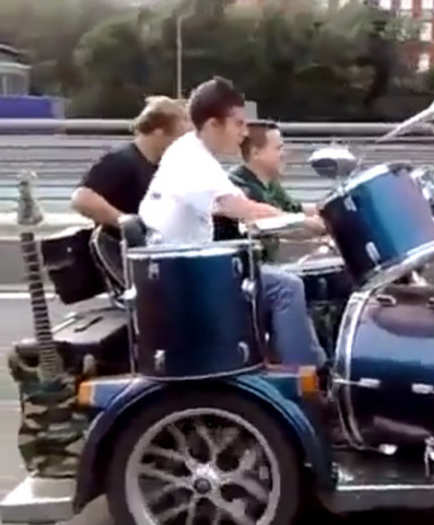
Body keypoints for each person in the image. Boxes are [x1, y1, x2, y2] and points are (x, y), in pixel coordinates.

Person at [139, 76, 325, 367]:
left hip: (184, 268)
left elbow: (246, 209)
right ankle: (304, 375)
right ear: (213, 124)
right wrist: (304, 222)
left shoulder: (193, 152)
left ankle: (300, 363)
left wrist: (294, 220)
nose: (244, 132)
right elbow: (243, 208)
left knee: (282, 279)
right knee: (287, 288)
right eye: (238, 124)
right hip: (186, 277)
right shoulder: (193, 161)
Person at [71, 97, 190, 289]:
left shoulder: (161, 166)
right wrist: (125, 221)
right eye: (178, 138)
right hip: (127, 257)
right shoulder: (122, 160)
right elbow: (81, 198)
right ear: (159, 132)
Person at [214, 120, 326, 261]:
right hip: (247, 270)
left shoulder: (269, 182)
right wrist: (314, 225)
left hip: (267, 266)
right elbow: (280, 225)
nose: (284, 154)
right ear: (256, 153)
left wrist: (331, 209)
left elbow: (294, 209)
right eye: (278, 148)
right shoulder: (240, 187)